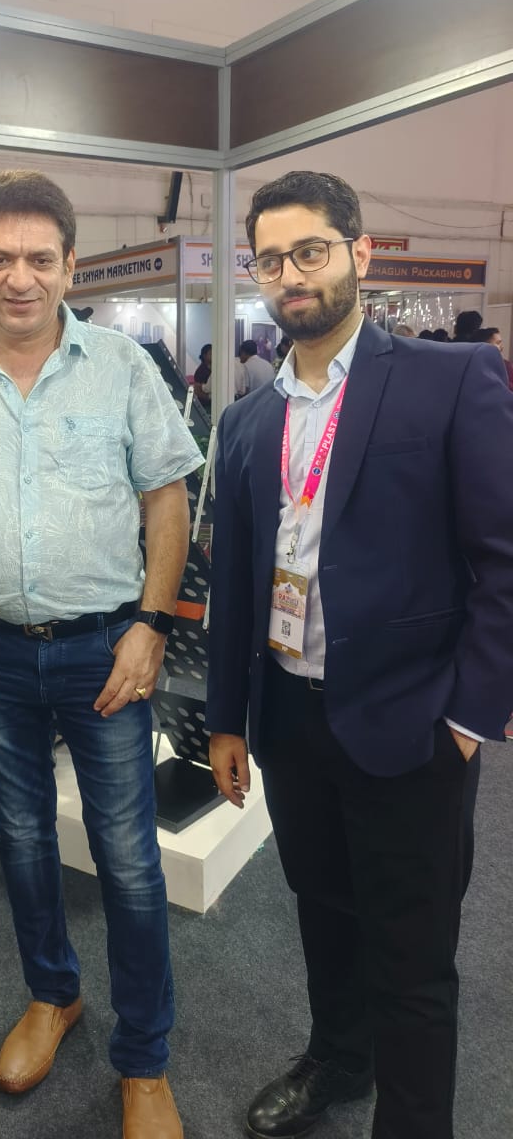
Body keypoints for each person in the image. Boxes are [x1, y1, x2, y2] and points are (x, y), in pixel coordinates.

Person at [0, 170, 203, 1139]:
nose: (17, 277)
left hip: (106, 647)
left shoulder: (121, 365)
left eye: (37, 258)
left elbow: (166, 500)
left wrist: (152, 623)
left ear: (70, 264)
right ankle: (53, 994)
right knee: (21, 840)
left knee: (129, 860)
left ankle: (144, 1058)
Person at [206, 170, 513, 1139]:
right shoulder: (246, 420)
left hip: (413, 723)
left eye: (310, 251)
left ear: (359, 253)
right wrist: (226, 719)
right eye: (270, 259)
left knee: (413, 955)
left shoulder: (448, 380)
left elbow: (503, 558)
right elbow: (237, 584)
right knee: (323, 910)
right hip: (293, 719)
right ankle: (338, 1057)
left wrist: (470, 715)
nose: (290, 274)